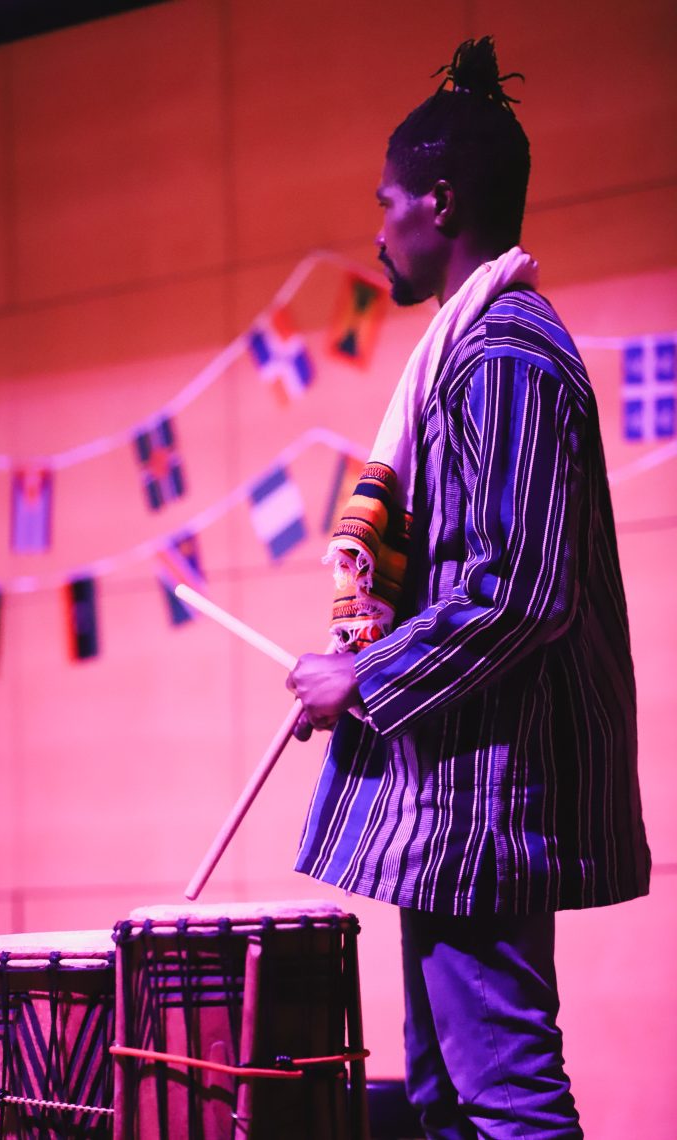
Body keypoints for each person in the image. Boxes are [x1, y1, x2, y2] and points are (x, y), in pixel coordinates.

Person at [285, 37, 651, 1140]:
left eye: (385, 203)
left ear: (438, 203)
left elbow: (517, 591)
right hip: (458, 795)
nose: (378, 226)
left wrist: (359, 673)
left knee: (504, 1101)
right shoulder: (473, 350)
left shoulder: (502, 356)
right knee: (449, 1099)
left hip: (488, 800)